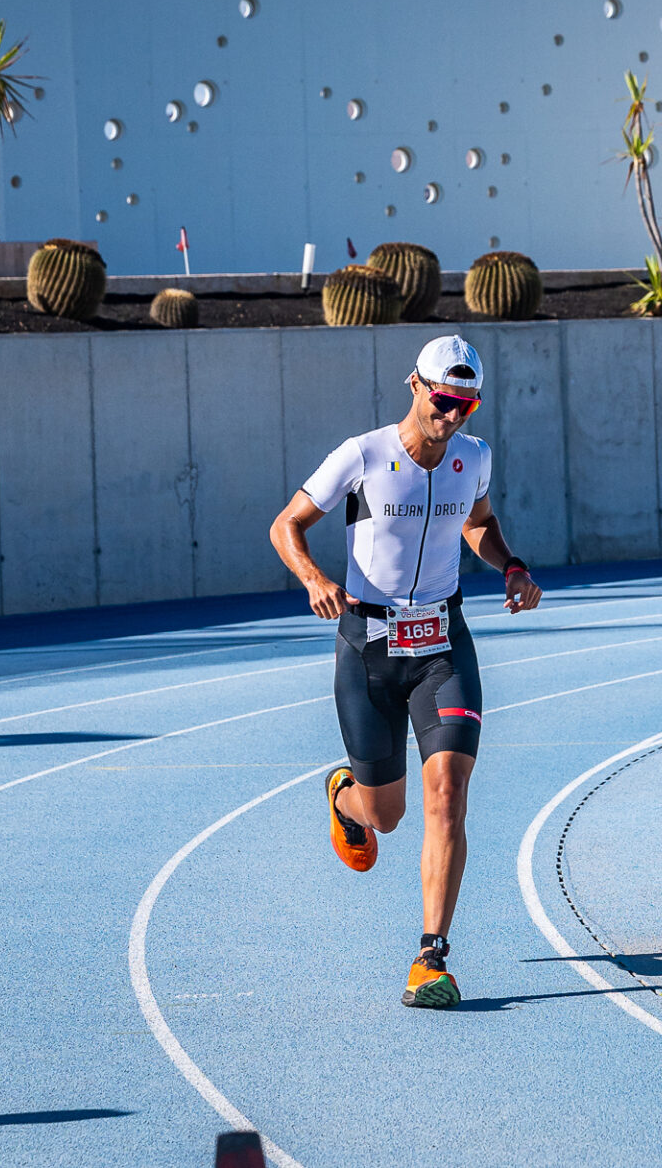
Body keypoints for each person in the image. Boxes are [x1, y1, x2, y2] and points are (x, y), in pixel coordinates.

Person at [270, 334, 541, 1009]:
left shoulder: (472, 458)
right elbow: (287, 526)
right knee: (386, 817)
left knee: (447, 792)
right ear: (414, 386)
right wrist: (311, 579)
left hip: (443, 646)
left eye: (467, 405)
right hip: (369, 648)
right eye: (445, 400)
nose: (454, 417)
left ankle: (431, 957)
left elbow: (478, 522)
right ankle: (345, 796)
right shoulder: (361, 456)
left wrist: (509, 563)